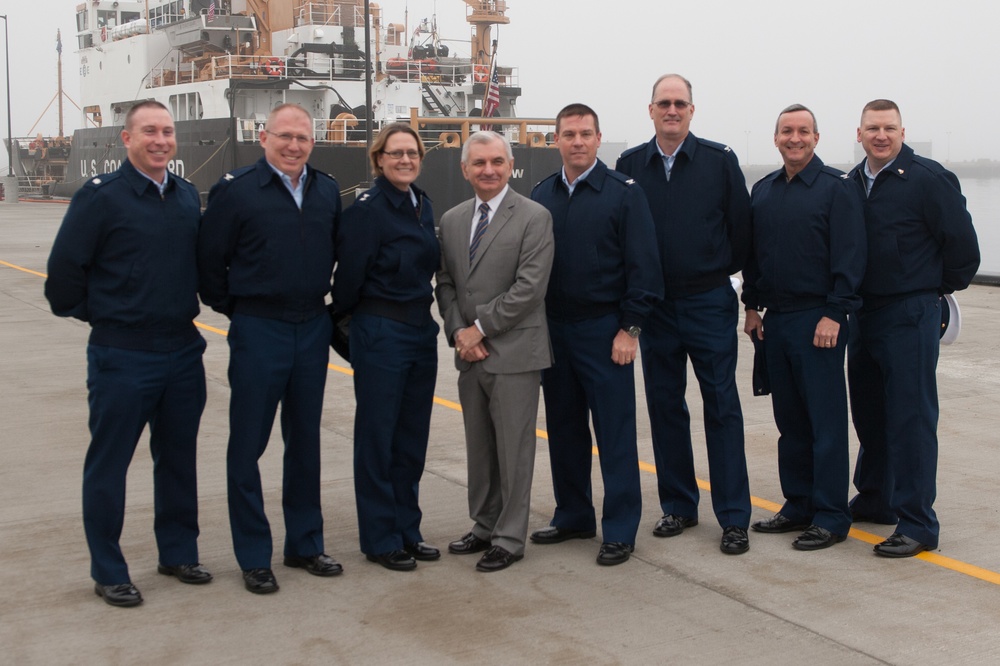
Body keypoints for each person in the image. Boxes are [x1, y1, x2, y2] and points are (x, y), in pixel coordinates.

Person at [45, 101, 211, 607]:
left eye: (167, 131)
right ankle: (109, 569)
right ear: (126, 139)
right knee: (109, 462)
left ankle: (178, 552)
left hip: (183, 350)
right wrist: (109, 315)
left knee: (178, 459)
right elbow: (64, 279)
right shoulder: (101, 198)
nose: (160, 140)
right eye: (149, 132)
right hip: (123, 353)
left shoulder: (185, 195)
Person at [198, 103, 343, 593]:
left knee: (304, 441)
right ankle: (254, 556)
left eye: (302, 138)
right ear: (264, 137)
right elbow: (209, 265)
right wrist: (240, 312)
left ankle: (305, 544)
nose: (294, 146)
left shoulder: (325, 191)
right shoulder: (236, 191)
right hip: (260, 326)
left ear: (312, 143)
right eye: (285, 136)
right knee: (248, 445)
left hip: (311, 326)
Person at [615, 74, 753, 555]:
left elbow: (743, 232)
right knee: (665, 406)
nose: (672, 110)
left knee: (721, 406)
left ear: (692, 111)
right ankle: (678, 505)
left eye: (680, 103)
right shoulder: (630, 165)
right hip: (656, 309)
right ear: (650, 110)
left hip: (708, 301)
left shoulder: (719, 161)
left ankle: (734, 517)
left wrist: (721, 276)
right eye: (664, 103)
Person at [530, 104, 663, 566]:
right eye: (569, 134)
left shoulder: (624, 194)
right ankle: (573, 514)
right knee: (564, 430)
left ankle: (620, 528)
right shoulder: (541, 194)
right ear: (557, 140)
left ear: (599, 137)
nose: (578, 141)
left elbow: (644, 269)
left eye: (586, 133)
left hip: (606, 331)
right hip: (554, 331)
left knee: (615, 433)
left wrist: (630, 329)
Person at [847, 99, 980, 557]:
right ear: (858, 134)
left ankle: (919, 522)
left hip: (909, 314)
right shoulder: (850, 184)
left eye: (889, 128)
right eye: (872, 128)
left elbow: (963, 250)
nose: (880, 135)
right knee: (869, 411)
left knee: (911, 418)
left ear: (902, 131)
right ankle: (876, 497)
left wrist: (927, 291)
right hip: (863, 314)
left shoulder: (927, 179)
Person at [743, 104, 867, 551]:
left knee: (826, 423)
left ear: (817, 138)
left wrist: (836, 312)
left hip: (820, 321)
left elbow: (851, 257)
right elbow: (753, 257)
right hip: (775, 322)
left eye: (803, 131)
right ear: (776, 138)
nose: (795, 138)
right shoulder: (764, 191)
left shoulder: (838, 189)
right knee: (790, 422)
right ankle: (798, 504)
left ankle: (832, 516)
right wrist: (751, 306)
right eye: (786, 131)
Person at [436, 131, 554, 572]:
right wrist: (457, 332)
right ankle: (483, 524)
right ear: (465, 169)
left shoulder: (533, 217)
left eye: (497, 162)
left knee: (513, 450)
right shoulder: (451, 220)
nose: (489, 170)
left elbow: (530, 288)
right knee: (480, 447)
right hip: (469, 353)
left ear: (510, 166)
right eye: (479, 163)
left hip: (515, 352)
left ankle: (509, 537)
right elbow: (445, 282)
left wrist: (480, 329)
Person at [332, 124, 441, 572]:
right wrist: (360, 330)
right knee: (378, 438)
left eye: (412, 153)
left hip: (420, 330)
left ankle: (407, 530)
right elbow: (347, 284)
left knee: (411, 439)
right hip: (381, 329)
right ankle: (380, 537)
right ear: (378, 159)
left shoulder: (422, 204)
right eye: (395, 153)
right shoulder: (368, 210)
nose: (405, 160)